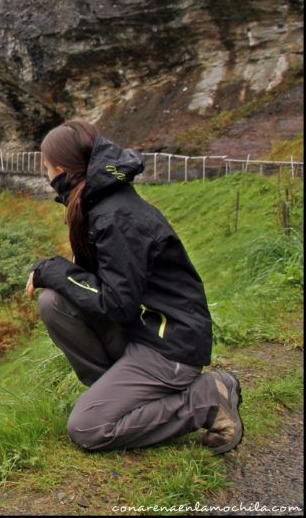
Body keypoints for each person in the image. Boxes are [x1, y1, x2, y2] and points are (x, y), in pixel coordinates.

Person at [24, 119, 243, 454]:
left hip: (170, 344)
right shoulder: (102, 204)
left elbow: (116, 302)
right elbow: (105, 289)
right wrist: (52, 274)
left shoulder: (115, 218)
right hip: (144, 330)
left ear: (63, 171)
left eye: (47, 167)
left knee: (88, 428)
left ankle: (207, 398)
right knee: (55, 302)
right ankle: (121, 395)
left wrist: (51, 269)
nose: (46, 175)